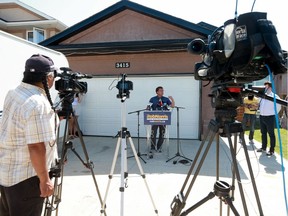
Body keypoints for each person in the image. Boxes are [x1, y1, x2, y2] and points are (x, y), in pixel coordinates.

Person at [0, 54, 59, 215]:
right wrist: (45, 180)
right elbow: (35, 147)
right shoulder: (38, 103)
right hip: (26, 179)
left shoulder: (14, 93)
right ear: (47, 77)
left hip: (7, 174)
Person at [147, 86, 175, 152]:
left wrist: (172, 99)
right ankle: (153, 147)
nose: (162, 92)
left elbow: (172, 106)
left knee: (162, 133)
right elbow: (148, 107)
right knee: (153, 133)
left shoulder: (165, 99)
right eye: (161, 90)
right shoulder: (152, 99)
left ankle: (159, 147)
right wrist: (147, 110)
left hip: (163, 119)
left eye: (163, 90)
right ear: (157, 92)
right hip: (154, 118)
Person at [257, 81, 281, 156]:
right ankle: (263, 147)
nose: (265, 88)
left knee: (271, 134)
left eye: (266, 87)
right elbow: (258, 103)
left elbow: (278, 107)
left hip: (270, 117)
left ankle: (271, 150)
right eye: (264, 87)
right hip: (262, 116)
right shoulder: (262, 96)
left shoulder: (275, 96)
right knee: (263, 133)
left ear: (270, 87)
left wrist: (272, 113)